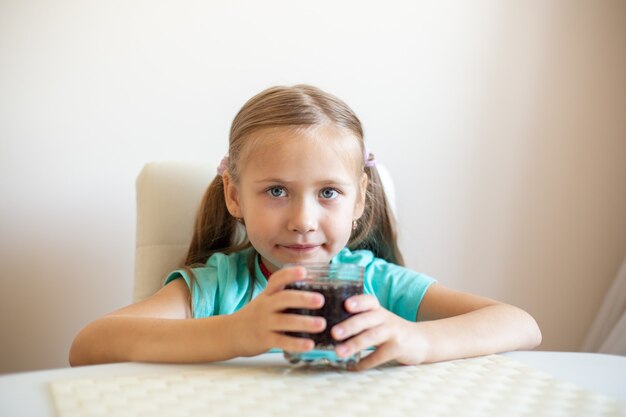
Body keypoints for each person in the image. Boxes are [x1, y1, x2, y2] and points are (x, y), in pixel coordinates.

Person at [69, 84, 541, 370]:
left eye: (329, 193)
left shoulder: (376, 285)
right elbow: (89, 346)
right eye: (276, 191)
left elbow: (522, 325)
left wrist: (417, 338)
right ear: (234, 194)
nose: (302, 221)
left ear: (359, 198)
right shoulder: (215, 288)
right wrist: (236, 333)